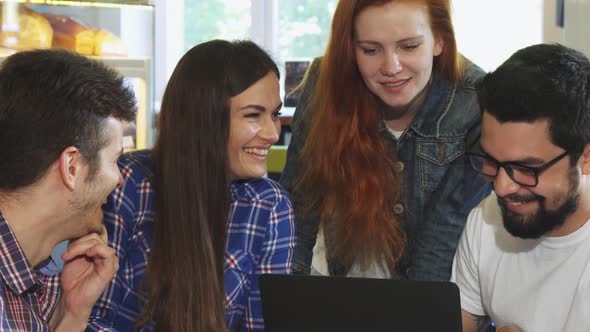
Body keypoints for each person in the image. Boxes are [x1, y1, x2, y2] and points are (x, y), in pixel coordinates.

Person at [87, 39, 296, 331]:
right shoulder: (128, 183)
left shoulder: (270, 205)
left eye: (274, 114)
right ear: (204, 117)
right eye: (253, 115)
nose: (273, 133)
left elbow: (260, 325)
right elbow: (92, 318)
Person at [280, 0, 490, 279]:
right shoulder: (324, 83)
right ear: (351, 49)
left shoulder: (475, 100)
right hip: (345, 289)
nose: (391, 67)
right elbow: (299, 205)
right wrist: (287, 298)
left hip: (438, 295)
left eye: (409, 46)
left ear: (439, 41)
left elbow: (443, 234)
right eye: (370, 50)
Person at [452, 43, 590, 332]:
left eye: (527, 168)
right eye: (490, 160)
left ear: (585, 157)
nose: (502, 188)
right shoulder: (485, 221)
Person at [0, 49, 135, 330]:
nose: (120, 179)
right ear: (72, 166)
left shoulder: (36, 277)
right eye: (115, 160)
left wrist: (73, 313)